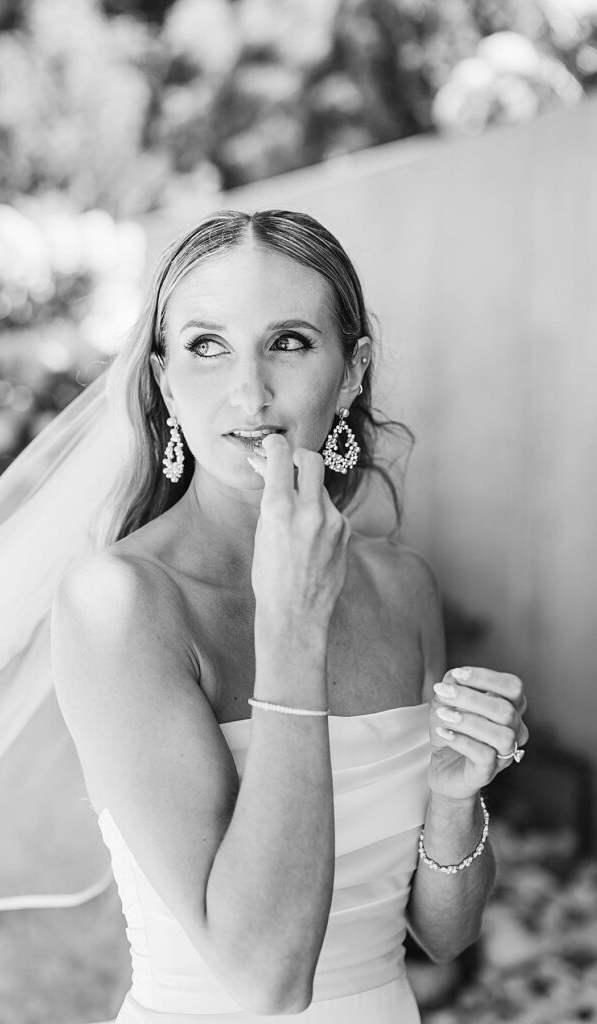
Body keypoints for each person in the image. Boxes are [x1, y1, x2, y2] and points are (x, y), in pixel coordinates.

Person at [48, 208, 530, 1024]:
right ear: (165, 380)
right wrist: (294, 626)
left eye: (290, 342)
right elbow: (266, 983)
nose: (249, 392)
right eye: (207, 346)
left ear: (349, 372)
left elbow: (442, 935)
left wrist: (456, 797)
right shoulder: (120, 604)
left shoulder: (402, 587)